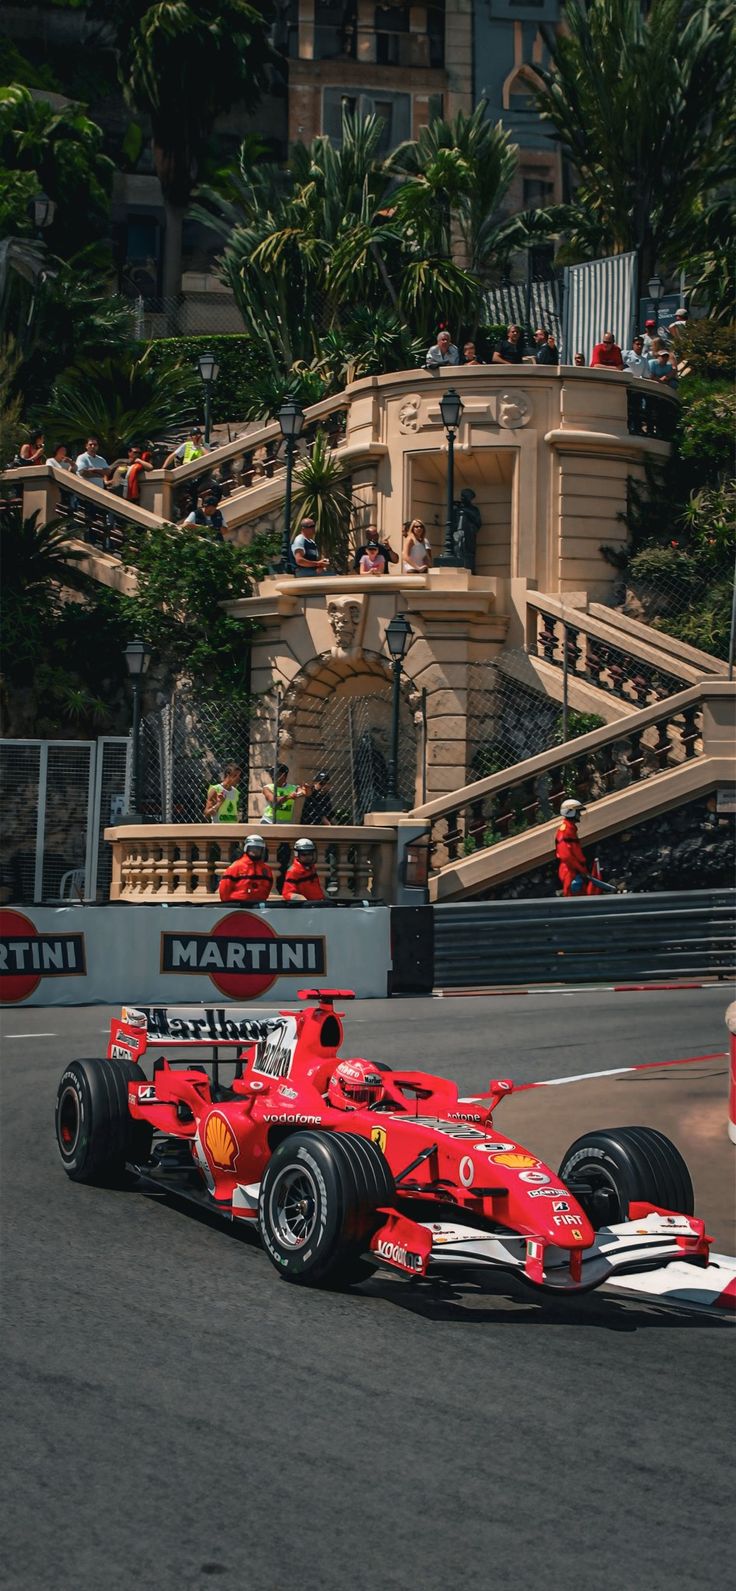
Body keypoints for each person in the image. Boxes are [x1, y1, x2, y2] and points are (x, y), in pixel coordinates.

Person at [555, 798, 598, 896]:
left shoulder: (571, 829)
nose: (580, 815)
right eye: (578, 812)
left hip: (576, 870)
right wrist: (581, 870)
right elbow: (566, 856)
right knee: (573, 897)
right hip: (570, 871)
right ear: (570, 812)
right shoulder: (564, 831)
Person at [218, 834, 273, 904]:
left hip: (259, 906)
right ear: (246, 848)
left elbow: (268, 889)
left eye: (258, 848)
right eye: (252, 848)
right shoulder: (236, 867)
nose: (255, 851)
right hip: (237, 906)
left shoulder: (266, 869)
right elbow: (224, 890)